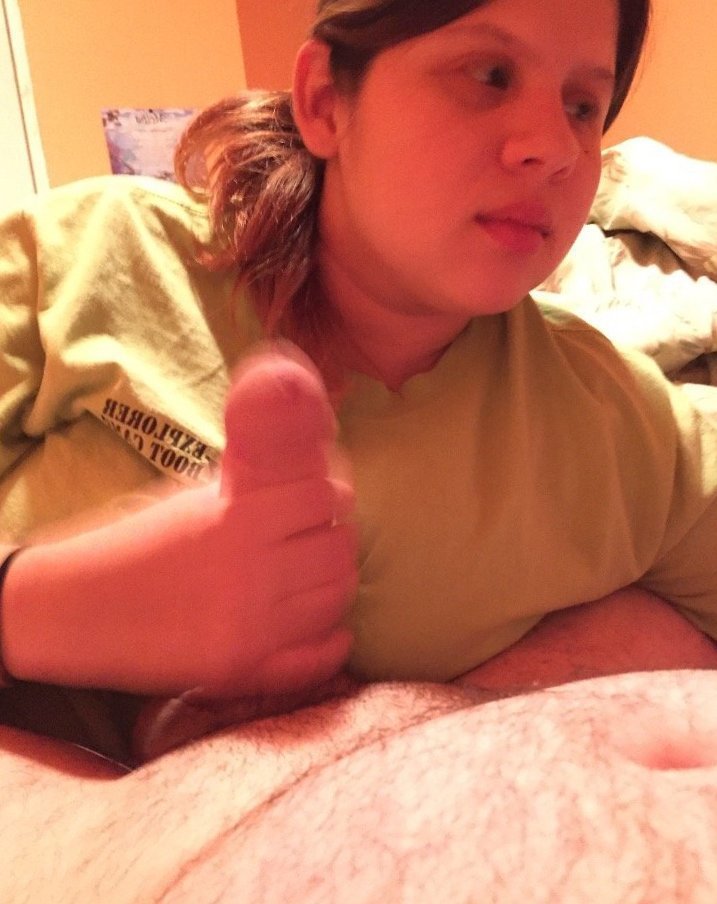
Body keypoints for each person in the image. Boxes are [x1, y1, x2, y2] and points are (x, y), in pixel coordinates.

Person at [3, 0, 717, 895]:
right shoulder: (86, 263)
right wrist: (39, 610)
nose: (554, 146)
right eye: (488, 74)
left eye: (582, 104)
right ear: (323, 102)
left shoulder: (616, 425)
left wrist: (424, 712)